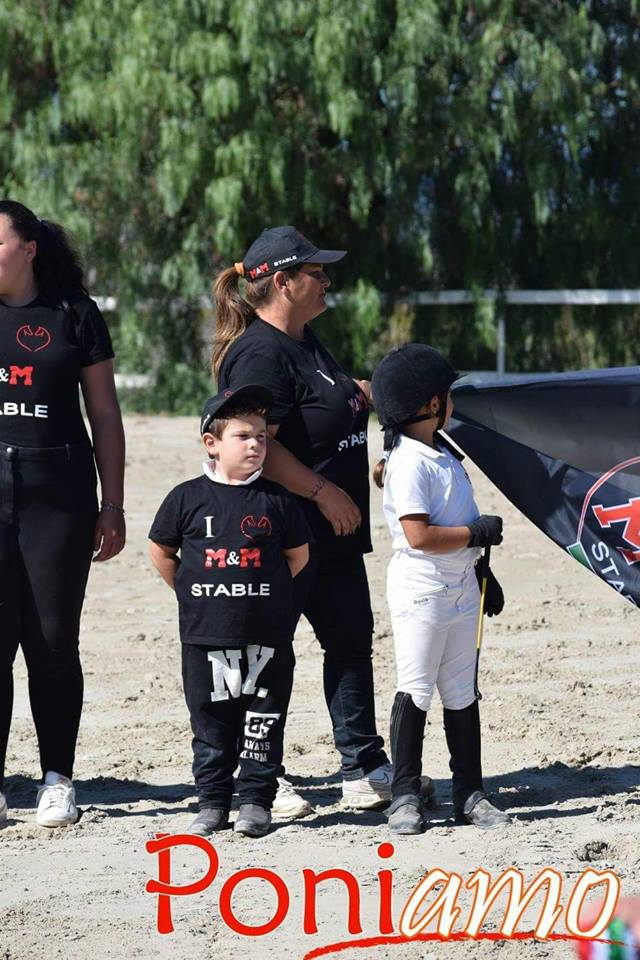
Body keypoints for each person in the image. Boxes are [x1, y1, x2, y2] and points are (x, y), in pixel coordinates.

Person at [212, 226, 391, 815]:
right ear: (282, 281)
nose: (327, 280)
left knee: (349, 640)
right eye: (316, 273)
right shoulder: (259, 352)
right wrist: (322, 492)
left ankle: (361, 764)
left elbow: (331, 403)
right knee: (267, 653)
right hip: (282, 528)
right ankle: (258, 773)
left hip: (331, 530)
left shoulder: (306, 339)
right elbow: (260, 441)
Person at [0, 200, 125, 828]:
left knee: (51, 641)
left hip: (60, 497)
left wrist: (114, 504)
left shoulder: (75, 315)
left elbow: (104, 414)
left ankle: (57, 778)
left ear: (28, 249)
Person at [149, 385, 310, 838]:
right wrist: (194, 593)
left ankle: (258, 800)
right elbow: (162, 552)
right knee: (211, 725)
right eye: (243, 436)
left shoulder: (278, 501)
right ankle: (213, 803)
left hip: (267, 638)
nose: (256, 444)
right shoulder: (186, 498)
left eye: (261, 436)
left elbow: (297, 558)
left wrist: (263, 596)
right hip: (205, 636)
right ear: (212, 443)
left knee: (262, 721)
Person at [371, 343, 511, 834]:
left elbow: (456, 517)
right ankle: (405, 794)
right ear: (432, 405)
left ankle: (470, 793)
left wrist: (481, 571)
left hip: (460, 586)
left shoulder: (442, 452)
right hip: (423, 591)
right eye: (448, 395)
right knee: (416, 689)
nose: (452, 403)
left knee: (461, 692)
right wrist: (475, 535)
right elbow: (419, 535)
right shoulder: (410, 462)